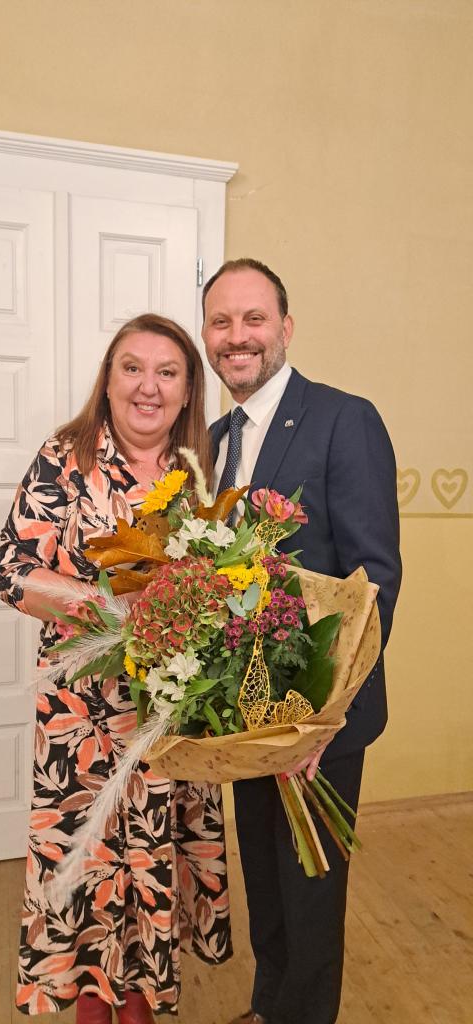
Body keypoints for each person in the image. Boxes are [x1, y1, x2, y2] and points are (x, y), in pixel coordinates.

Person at [0, 313, 232, 1023]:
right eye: (133, 368)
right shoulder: (66, 457)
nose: (148, 387)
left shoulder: (199, 473)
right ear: (109, 379)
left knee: (153, 873)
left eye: (167, 372)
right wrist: (114, 610)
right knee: (88, 878)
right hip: (83, 725)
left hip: (169, 724)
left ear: (187, 391)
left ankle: (141, 1008)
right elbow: (10, 569)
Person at [201, 259, 402, 1024]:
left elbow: (374, 579)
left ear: (285, 328)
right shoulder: (215, 440)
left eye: (253, 319)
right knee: (265, 877)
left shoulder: (344, 419)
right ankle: (268, 1008)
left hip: (319, 722)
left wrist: (322, 719)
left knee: (312, 893)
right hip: (244, 718)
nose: (237, 336)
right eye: (221, 322)